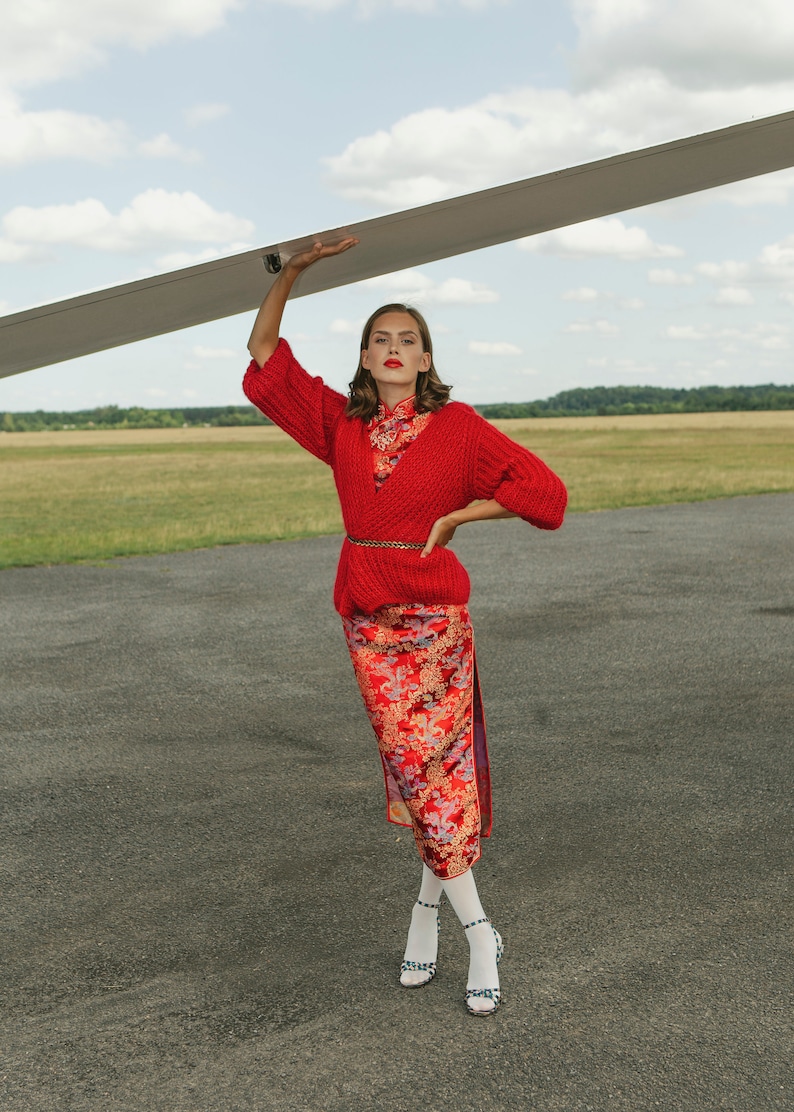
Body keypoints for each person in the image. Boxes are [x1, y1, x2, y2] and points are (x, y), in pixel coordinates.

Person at [244, 238, 567, 1016]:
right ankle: (427, 914)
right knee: (421, 772)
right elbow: (263, 356)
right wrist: (293, 271)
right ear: (364, 356)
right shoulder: (340, 426)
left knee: (430, 771)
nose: (394, 349)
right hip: (367, 619)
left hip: (435, 625)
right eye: (380, 339)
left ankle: (477, 930)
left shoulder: (458, 428)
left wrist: (463, 512)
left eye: (408, 340)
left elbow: (546, 494)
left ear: (426, 358)